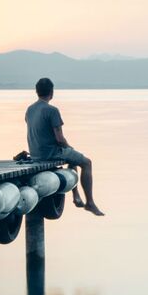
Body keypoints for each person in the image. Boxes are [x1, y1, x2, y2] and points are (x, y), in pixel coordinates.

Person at [25, 77, 104, 216]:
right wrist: (68, 147)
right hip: (50, 153)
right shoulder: (52, 110)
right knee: (86, 162)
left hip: (35, 152)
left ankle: (76, 196)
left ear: (36, 92)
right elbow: (59, 139)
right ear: (52, 92)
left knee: (71, 157)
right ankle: (90, 202)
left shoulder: (30, 109)